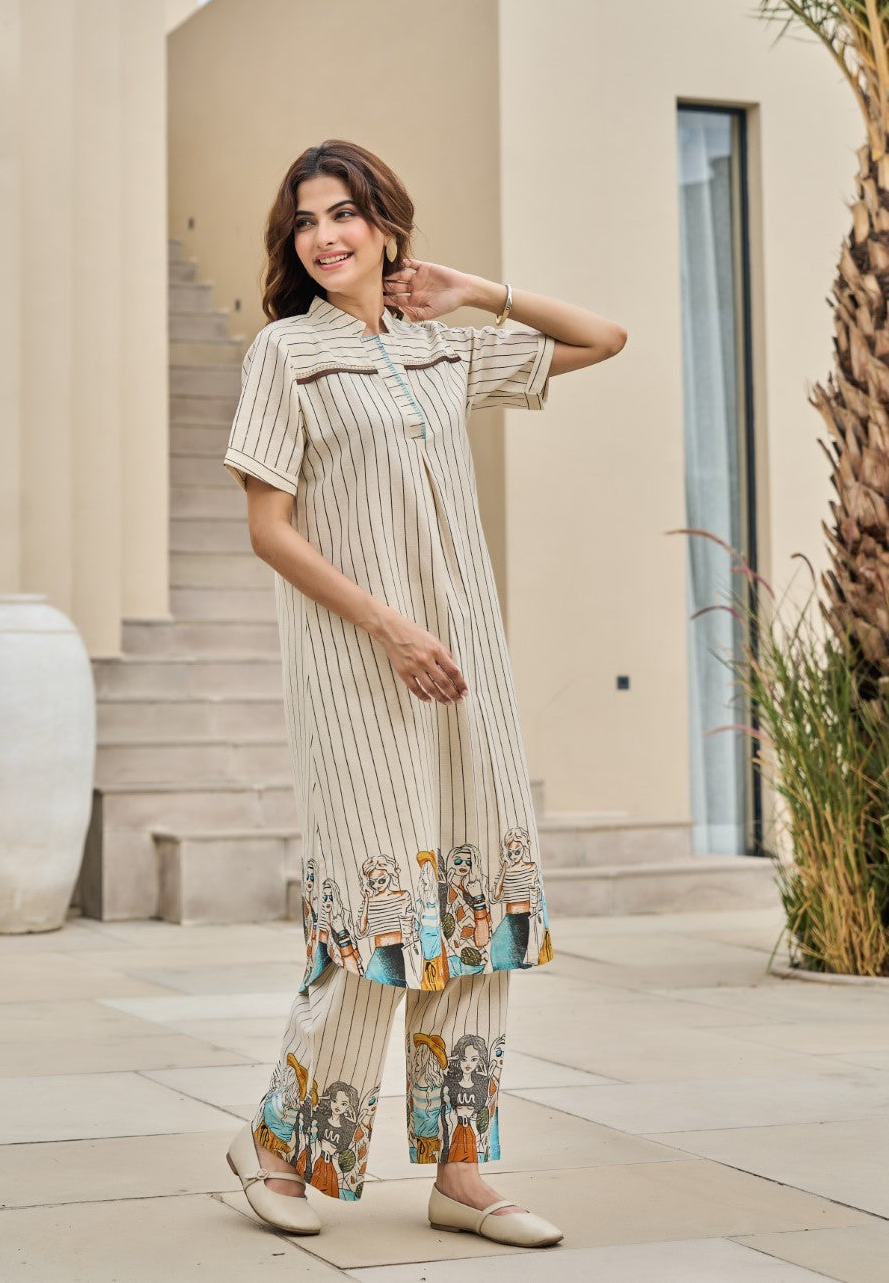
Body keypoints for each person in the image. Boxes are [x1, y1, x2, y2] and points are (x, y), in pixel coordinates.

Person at [222, 138, 626, 1246]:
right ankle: (279, 1147)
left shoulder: (440, 347)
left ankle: (461, 1174)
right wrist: (389, 627)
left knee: (477, 911)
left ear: (387, 225)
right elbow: (269, 530)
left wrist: (474, 290)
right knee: (381, 916)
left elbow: (603, 337)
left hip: (465, 673)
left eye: (345, 213)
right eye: (306, 220)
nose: (325, 235)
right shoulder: (286, 355)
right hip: (360, 673)